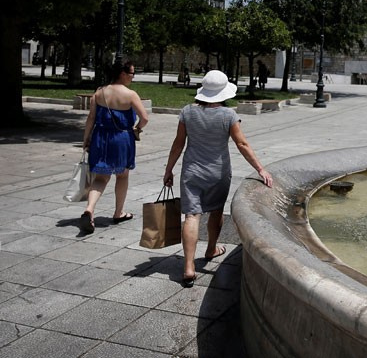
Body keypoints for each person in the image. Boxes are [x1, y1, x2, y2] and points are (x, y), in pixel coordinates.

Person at [163, 70, 273, 287]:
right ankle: (211, 248)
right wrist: (261, 169)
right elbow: (242, 144)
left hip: (191, 171)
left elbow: (178, 144)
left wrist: (168, 170)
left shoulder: (187, 112)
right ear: (223, 93)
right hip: (218, 172)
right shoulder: (228, 116)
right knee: (215, 211)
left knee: (192, 216)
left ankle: (188, 266)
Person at [80, 61, 149, 233]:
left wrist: (86, 138)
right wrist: (137, 129)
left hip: (100, 137)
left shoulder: (99, 92)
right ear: (123, 74)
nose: (133, 77)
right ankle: (119, 212)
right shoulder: (130, 94)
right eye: (132, 73)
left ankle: (90, 209)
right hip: (121, 138)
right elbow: (145, 118)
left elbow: (91, 118)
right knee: (122, 176)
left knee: (101, 178)